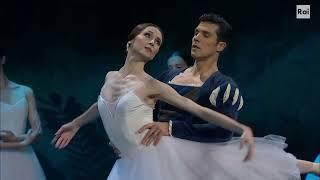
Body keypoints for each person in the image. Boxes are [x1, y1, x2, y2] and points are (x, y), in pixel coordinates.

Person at [52, 22, 319, 179]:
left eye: (158, 42)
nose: (153, 43)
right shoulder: (111, 76)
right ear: (130, 41)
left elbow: (197, 109)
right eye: (147, 36)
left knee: (232, 163)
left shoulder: (153, 84)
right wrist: (76, 123)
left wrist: (241, 129)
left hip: (154, 156)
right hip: (128, 163)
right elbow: (101, 105)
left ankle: (313, 167)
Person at [0, 51, 46, 180]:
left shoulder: (26, 91)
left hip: (26, 160)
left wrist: (16, 139)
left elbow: (38, 132)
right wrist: (22, 142)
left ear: (2, 59)